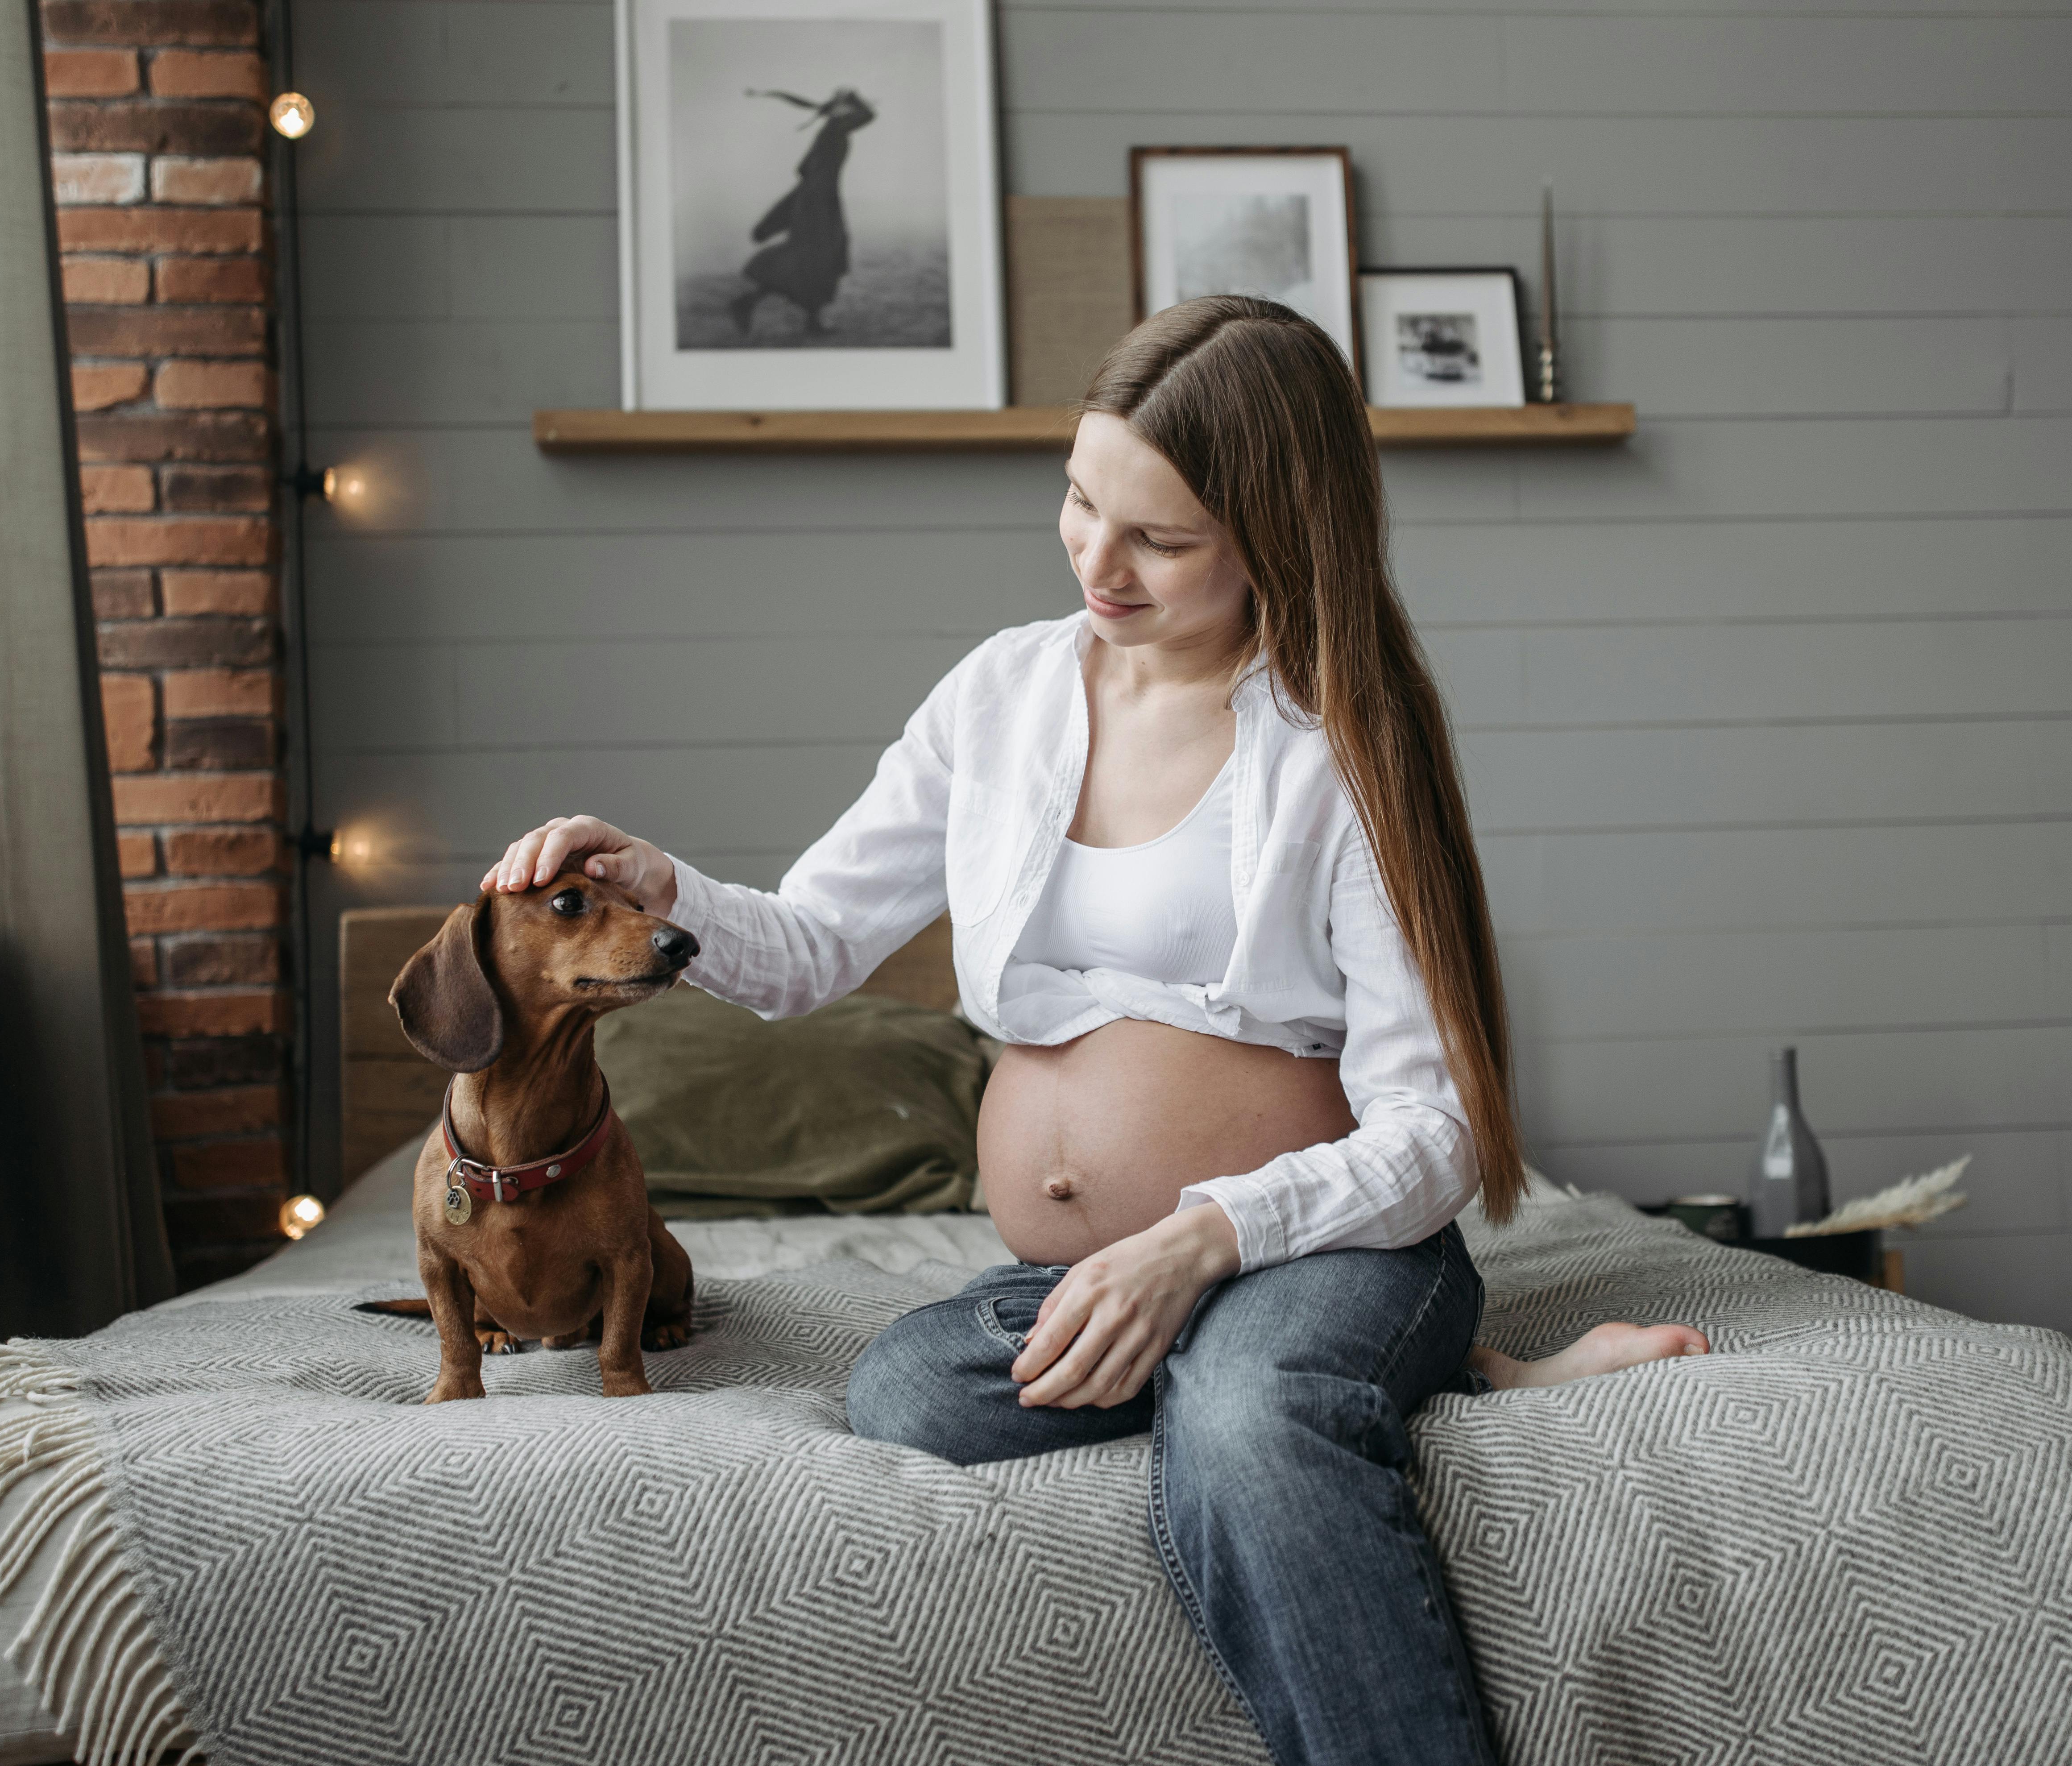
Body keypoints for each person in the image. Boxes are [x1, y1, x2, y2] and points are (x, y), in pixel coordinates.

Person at [484, 295, 1707, 1766]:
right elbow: (809, 945)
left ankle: (1361, 1350)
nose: (1095, 560)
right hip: (1094, 1257)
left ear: (1276, 531)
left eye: (1160, 537)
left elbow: (1431, 1129)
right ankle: (1434, 1370)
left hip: (1318, 1243)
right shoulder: (999, 694)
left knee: (1247, 1423)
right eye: (1077, 499)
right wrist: (661, 885)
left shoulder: (1336, 745)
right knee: (905, 1384)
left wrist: (1197, 1238)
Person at [728, 86, 875, 337]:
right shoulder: (833, 131)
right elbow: (869, 116)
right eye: (847, 106)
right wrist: (848, 99)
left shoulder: (830, 133)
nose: (852, 110)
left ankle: (807, 321)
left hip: (819, 201)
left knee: (817, 259)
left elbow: (804, 170)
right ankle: (749, 304)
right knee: (816, 258)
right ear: (839, 112)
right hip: (818, 204)